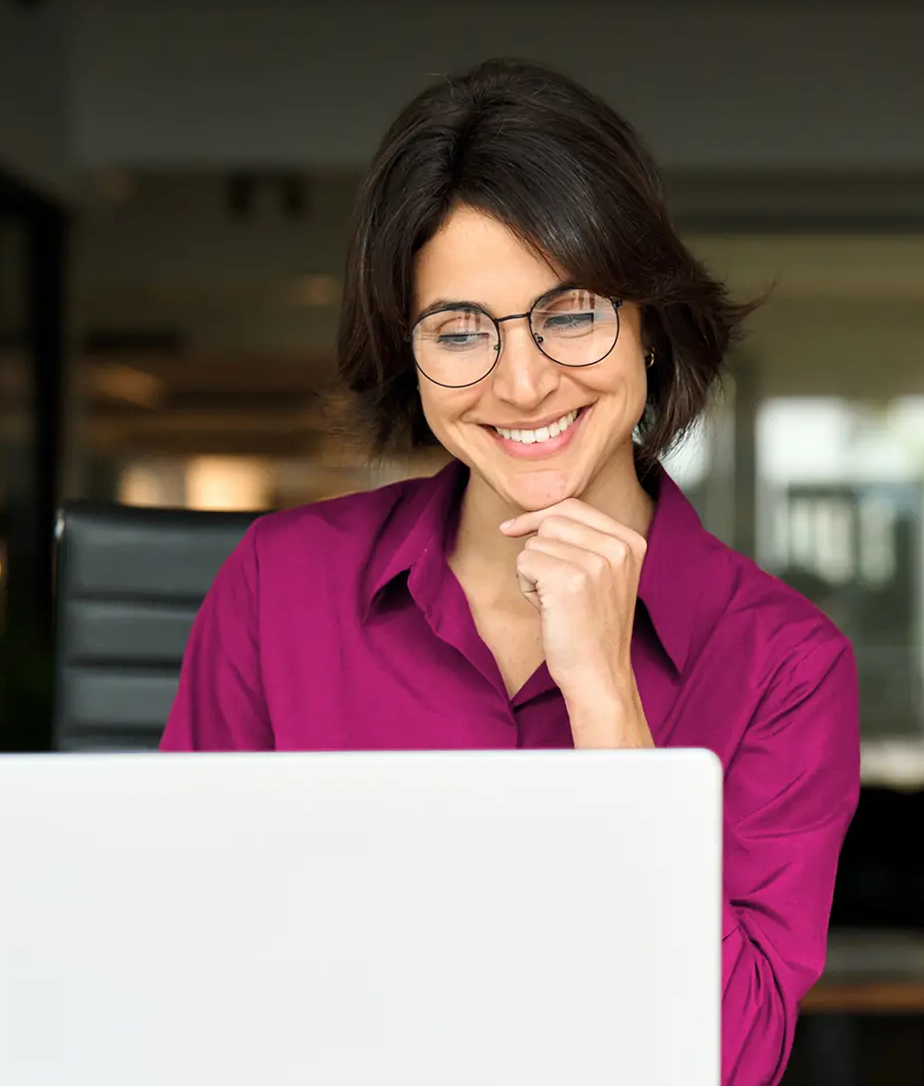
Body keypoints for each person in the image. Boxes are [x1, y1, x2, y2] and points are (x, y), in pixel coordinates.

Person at [161, 58, 859, 1086]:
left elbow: (732, 1057)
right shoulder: (276, 589)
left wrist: (608, 706)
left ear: (650, 325)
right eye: (459, 330)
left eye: (570, 311)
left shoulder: (783, 664)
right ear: (411, 356)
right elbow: (176, 963)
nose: (522, 380)